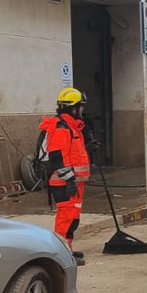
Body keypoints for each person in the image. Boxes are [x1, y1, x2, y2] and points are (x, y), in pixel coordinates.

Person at [40, 88, 90, 265]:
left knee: (73, 220)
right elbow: (58, 158)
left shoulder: (70, 127)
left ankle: (66, 250)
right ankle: (60, 256)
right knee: (65, 219)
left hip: (72, 183)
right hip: (64, 183)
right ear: (73, 108)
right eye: (80, 107)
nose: (82, 111)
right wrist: (69, 180)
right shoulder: (62, 128)